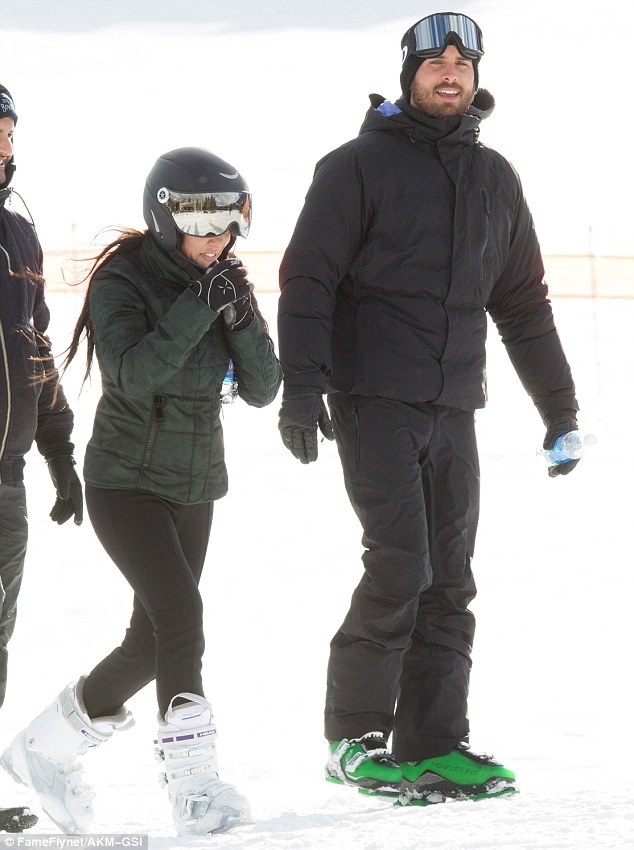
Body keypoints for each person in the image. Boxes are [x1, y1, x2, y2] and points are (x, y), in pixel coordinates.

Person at [277, 12, 581, 806]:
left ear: (477, 77)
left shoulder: (495, 180)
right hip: (373, 398)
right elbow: (308, 279)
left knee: (451, 578)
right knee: (401, 561)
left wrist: (559, 409)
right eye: (436, 60)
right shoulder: (355, 168)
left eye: (464, 62)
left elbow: (522, 304)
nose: (451, 72)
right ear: (409, 71)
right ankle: (354, 737)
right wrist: (302, 388)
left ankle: (434, 744)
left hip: (453, 404)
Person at [2, 147, 282, 835]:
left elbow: (263, 387)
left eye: (228, 226)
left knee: (152, 641)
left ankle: (46, 749)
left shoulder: (220, 279)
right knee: (183, 616)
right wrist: (196, 307)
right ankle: (195, 788)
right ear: (165, 217)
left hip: (196, 484)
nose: (217, 240)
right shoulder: (122, 280)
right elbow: (131, 374)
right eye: (204, 225)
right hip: (124, 484)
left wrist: (241, 315)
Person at [0, 83, 83, 833]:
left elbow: (36, 350)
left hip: (6, 475)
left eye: (4, 129)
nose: (0, 143)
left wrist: (61, 455)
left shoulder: (20, 236)